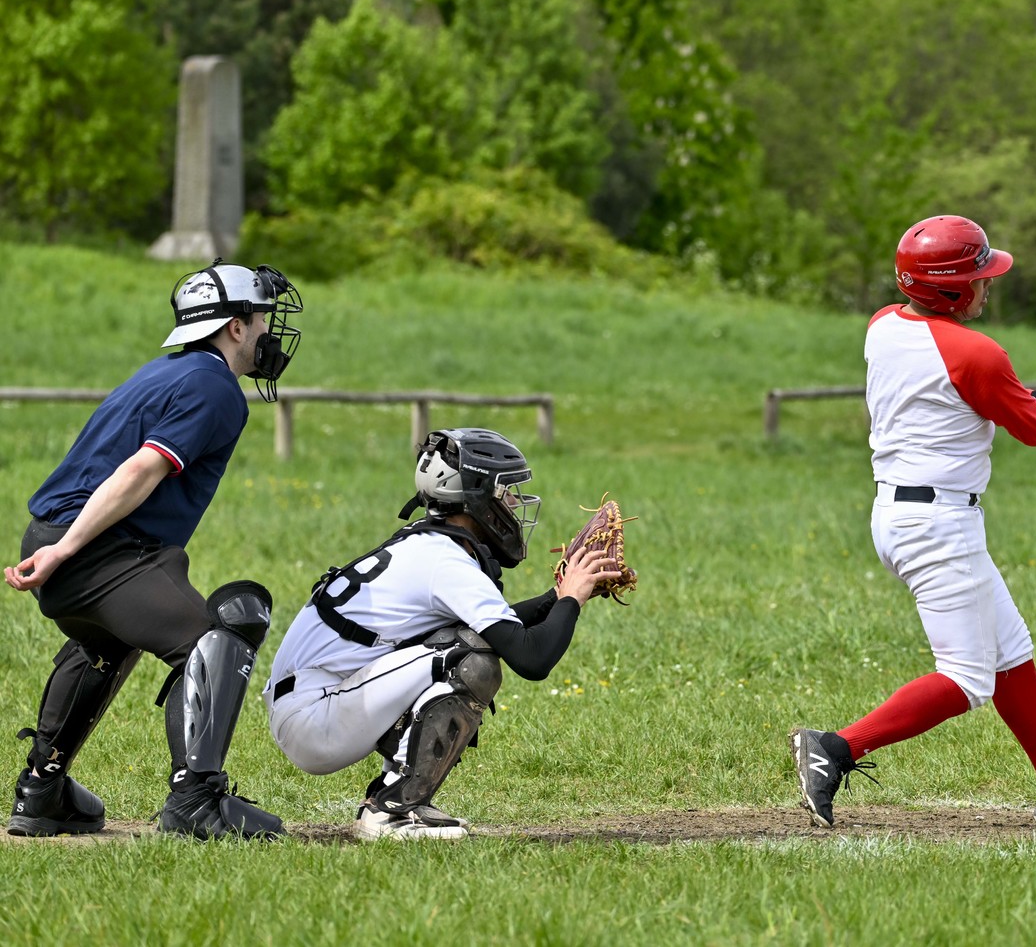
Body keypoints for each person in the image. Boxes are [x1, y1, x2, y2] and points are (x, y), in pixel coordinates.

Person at [789, 215, 1036, 829]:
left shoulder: (885, 324)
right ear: (948, 289)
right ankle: (835, 749)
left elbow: (973, 398)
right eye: (978, 277)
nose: (987, 285)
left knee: (1011, 654)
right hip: (937, 525)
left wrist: (1032, 402)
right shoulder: (976, 352)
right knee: (968, 680)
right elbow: (1034, 428)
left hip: (902, 514)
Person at [5, 260, 303, 839]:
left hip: (62, 539)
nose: (270, 332)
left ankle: (42, 792)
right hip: (93, 549)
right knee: (217, 638)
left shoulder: (168, 371)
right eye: (262, 318)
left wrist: (58, 546)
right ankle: (195, 801)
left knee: (106, 642)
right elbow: (140, 470)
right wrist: (66, 550)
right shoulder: (214, 386)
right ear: (235, 327)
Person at [264, 427, 621, 841]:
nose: (514, 504)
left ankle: (395, 796)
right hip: (315, 718)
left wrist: (558, 598)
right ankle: (392, 811)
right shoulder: (444, 561)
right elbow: (532, 658)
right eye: (506, 492)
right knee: (468, 660)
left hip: (312, 704)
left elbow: (499, 629)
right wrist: (571, 599)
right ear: (477, 497)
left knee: (462, 642)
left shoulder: (429, 545)